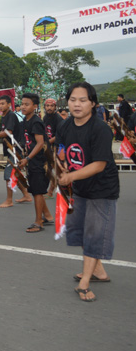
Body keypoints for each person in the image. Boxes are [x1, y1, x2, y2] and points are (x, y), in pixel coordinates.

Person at [56, 82, 119, 302]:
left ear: (93, 103)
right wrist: (61, 161)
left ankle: (85, 283)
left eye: (83, 100)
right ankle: (98, 270)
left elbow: (100, 164)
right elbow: (61, 147)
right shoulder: (65, 125)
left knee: (94, 233)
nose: (77, 104)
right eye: (73, 99)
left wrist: (70, 176)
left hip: (102, 189)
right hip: (80, 188)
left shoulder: (100, 129)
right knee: (78, 230)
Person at [0, 95, 32, 207]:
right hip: (11, 149)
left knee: (9, 174)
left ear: (9, 104)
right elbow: (5, 131)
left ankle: (9, 200)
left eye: (3, 104)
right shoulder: (5, 116)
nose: (0, 106)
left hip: (15, 149)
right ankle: (26, 195)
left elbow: (8, 132)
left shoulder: (10, 115)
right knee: (15, 173)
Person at [18, 93, 53, 233]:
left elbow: (40, 144)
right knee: (35, 191)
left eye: (27, 104)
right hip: (33, 161)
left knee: (38, 192)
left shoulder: (36, 121)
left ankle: (38, 222)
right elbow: (29, 142)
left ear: (35, 106)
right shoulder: (26, 120)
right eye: (22, 104)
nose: (23, 107)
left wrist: (28, 159)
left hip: (40, 162)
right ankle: (48, 216)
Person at [43, 98, 62, 198]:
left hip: (57, 147)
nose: (49, 108)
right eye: (47, 106)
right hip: (48, 147)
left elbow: (59, 135)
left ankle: (51, 191)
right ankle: (50, 189)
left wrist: (47, 143)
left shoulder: (58, 119)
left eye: (51, 106)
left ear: (55, 107)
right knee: (49, 168)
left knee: (57, 169)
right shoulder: (45, 118)